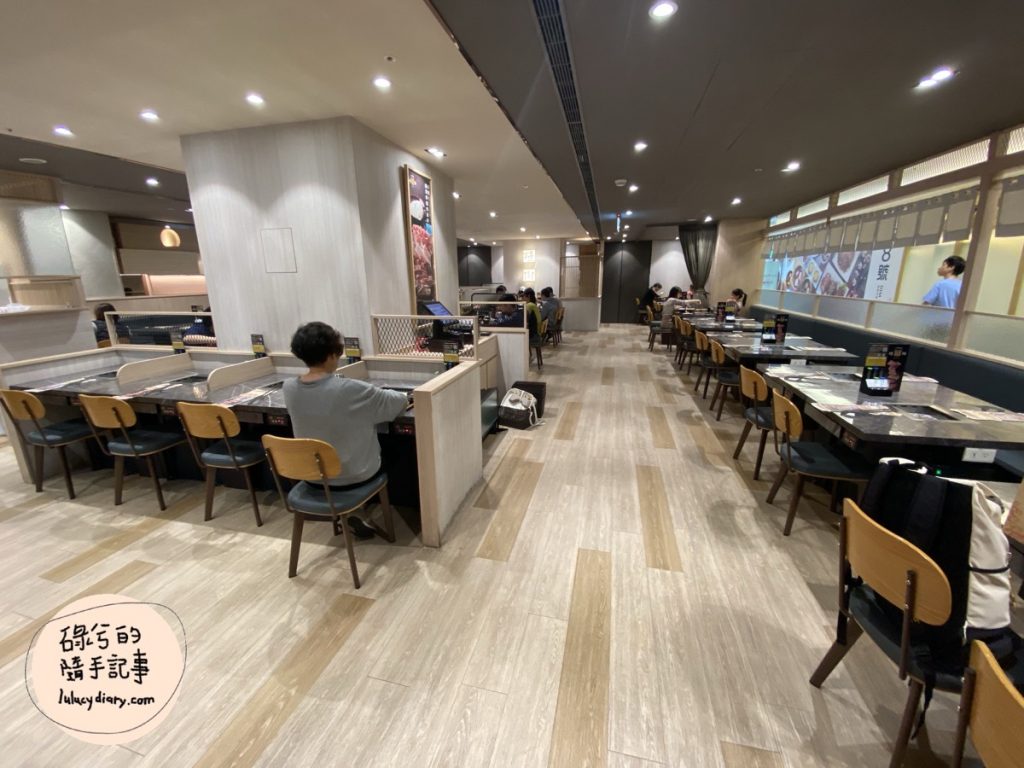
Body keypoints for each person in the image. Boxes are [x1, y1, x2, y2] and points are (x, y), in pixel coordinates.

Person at [282, 321, 409, 539]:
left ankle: (354, 512)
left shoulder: (289, 388)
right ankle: (358, 509)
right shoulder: (350, 389)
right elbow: (398, 402)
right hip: (352, 477)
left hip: (311, 476)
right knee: (396, 447)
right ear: (332, 354)